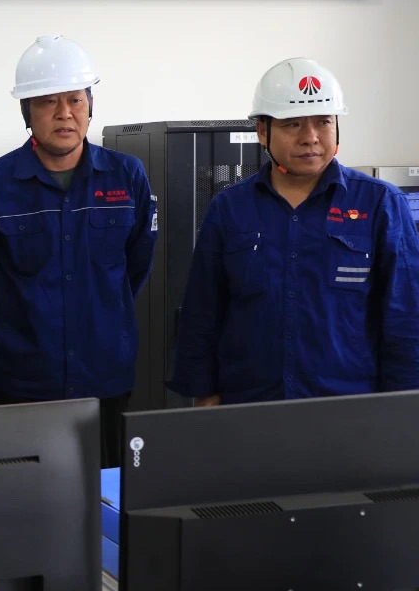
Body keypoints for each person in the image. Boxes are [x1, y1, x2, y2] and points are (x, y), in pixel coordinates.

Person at [0, 34, 157, 468]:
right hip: (20, 381)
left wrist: (99, 312)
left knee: (104, 496)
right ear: (26, 111)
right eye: (48, 102)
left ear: (90, 104)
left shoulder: (127, 176)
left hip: (105, 378)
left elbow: (137, 264)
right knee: (17, 495)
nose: (64, 113)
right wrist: (20, 316)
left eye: (75, 100)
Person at [168, 57, 419, 405]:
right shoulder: (229, 208)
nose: (310, 138)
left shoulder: (380, 203)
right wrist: (204, 393)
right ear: (262, 132)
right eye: (293, 124)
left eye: (323, 122)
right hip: (249, 404)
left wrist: (402, 405)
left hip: (349, 406)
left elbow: (406, 315)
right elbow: (202, 311)